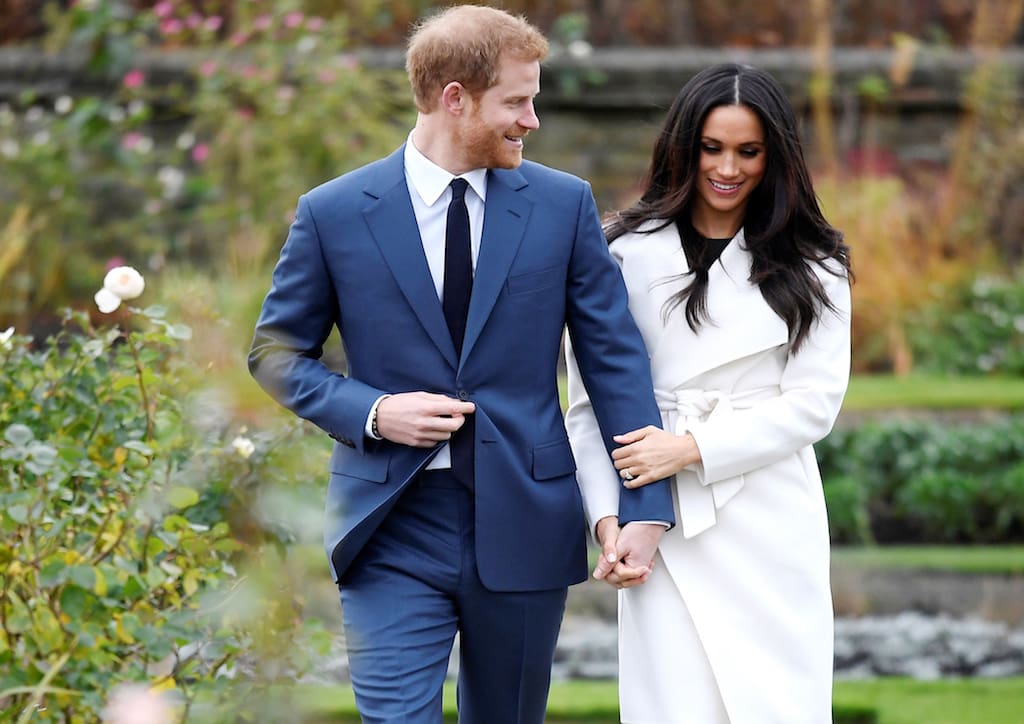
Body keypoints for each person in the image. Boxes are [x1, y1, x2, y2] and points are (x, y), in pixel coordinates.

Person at [248, 5, 675, 722]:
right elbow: (274, 353)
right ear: (455, 97)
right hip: (390, 525)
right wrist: (375, 412)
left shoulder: (562, 207)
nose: (531, 120)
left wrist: (644, 509)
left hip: (525, 519)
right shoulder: (333, 212)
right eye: (517, 101)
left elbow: (614, 362)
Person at [565, 63, 853, 724]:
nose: (729, 168)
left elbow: (814, 403)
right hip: (659, 522)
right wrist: (610, 522)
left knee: (778, 703)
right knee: (672, 702)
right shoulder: (622, 252)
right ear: (682, 149)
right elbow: (587, 407)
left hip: (768, 514)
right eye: (712, 148)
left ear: (774, 155)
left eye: (749, 151)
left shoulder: (818, 262)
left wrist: (689, 448)